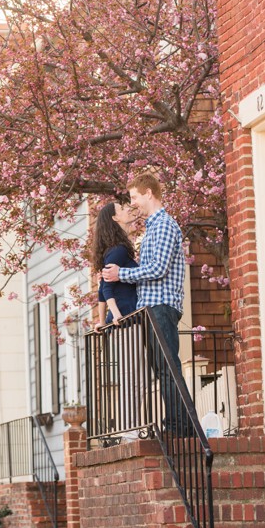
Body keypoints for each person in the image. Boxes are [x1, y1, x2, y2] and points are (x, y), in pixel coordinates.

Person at [101, 172, 190, 436]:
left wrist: (121, 274)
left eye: (135, 197)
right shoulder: (152, 227)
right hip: (151, 307)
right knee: (163, 369)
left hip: (161, 306)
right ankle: (178, 425)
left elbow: (158, 269)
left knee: (168, 368)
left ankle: (179, 428)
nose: (133, 203)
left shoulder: (163, 225)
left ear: (149, 194)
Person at [91, 201, 139, 327]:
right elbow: (106, 288)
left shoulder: (115, 250)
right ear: (115, 218)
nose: (128, 209)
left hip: (124, 321)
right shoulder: (118, 250)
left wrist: (102, 322)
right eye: (122, 209)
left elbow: (102, 287)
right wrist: (117, 315)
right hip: (126, 321)